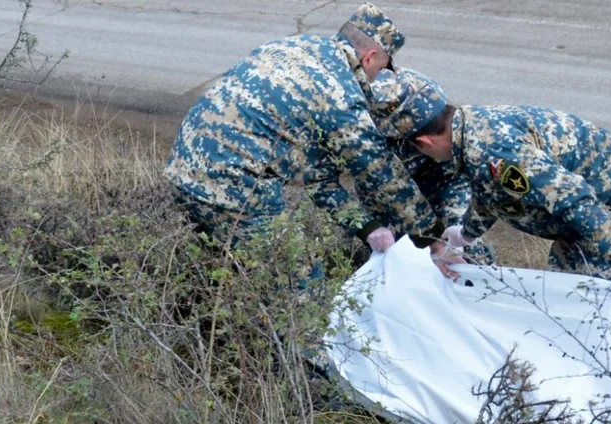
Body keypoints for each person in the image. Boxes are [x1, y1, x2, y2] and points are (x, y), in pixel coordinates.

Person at [163, 3, 446, 259]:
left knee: (220, 263)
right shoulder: (340, 94)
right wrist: (433, 237)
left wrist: (367, 227)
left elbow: (317, 176)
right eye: (383, 68)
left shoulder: (292, 47)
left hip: (181, 170)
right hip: (234, 189)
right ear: (370, 57)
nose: (377, 79)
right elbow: (380, 173)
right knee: (298, 280)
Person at [387, 90, 611, 312]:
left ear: (424, 141)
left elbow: (574, 196)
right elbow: (494, 192)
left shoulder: (491, 149)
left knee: (604, 316)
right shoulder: (469, 128)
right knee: (564, 308)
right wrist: (464, 236)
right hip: (581, 225)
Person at [367, 67, 496, 266]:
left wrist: (455, 234)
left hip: (444, 178)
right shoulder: (364, 129)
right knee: (387, 257)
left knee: (463, 246)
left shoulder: (422, 92)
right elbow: (383, 183)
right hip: (390, 196)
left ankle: (483, 286)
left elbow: (457, 169)